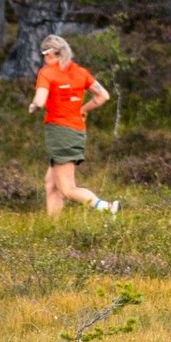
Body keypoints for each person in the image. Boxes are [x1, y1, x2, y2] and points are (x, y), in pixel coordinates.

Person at [28, 34, 120, 217]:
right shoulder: (80, 71)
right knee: (50, 184)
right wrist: (83, 109)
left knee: (68, 190)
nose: (43, 59)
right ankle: (54, 229)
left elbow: (39, 100)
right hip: (76, 131)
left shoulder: (47, 73)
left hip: (61, 133)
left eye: (43, 55)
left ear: (49, 54)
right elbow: (104, 96)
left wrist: (33, 106)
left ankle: (108, 208)